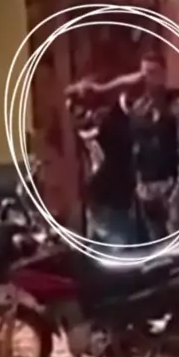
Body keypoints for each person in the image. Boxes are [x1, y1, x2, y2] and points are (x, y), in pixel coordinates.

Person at [67, 51, 179, 242]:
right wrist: (101, 89)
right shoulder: (139, 107)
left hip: (171, 188)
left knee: (177, 246)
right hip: (145, 192)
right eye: (144, 74)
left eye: (153, 73)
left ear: (164, 74)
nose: (148, 80)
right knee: (153, 247)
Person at [67, 89, 138, 246]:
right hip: (108, 191)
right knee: (113, 236)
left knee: (108, 235)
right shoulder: (104, 124)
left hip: (106, 191)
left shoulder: (101, 124)